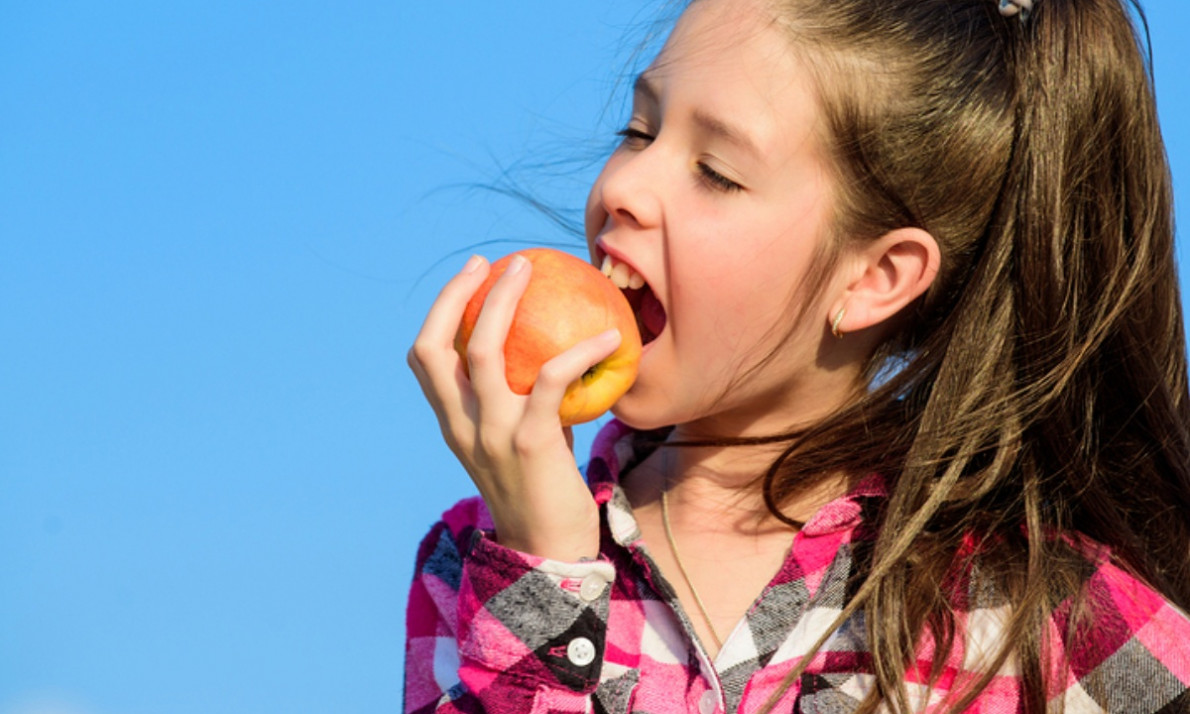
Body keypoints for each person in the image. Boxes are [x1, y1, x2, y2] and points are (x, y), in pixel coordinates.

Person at [403, 0, 1190, 711]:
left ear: (875, 279)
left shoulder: (1049, 620)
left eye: (716, 172)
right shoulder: (474, 561)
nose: (626, 185)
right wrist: (542, 577)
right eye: (638, 131)